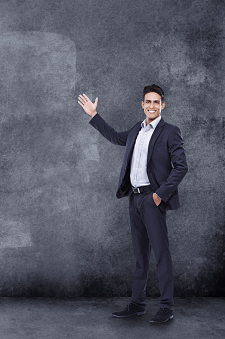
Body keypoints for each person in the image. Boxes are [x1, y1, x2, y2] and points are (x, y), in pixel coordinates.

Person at [77, 84, 188, 323]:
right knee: (140, 256)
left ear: (163, 105)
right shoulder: (137, 130)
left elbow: (181, 167)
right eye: (148, 102)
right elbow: (116, 137)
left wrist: (159, 196)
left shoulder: (170, 132)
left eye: (156, 102)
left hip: (153, 200)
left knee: (161, 255)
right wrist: (94, 115)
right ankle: (137, 304)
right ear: (142, 104)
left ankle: (166, 308)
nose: (151, 106)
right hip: (134, 199)